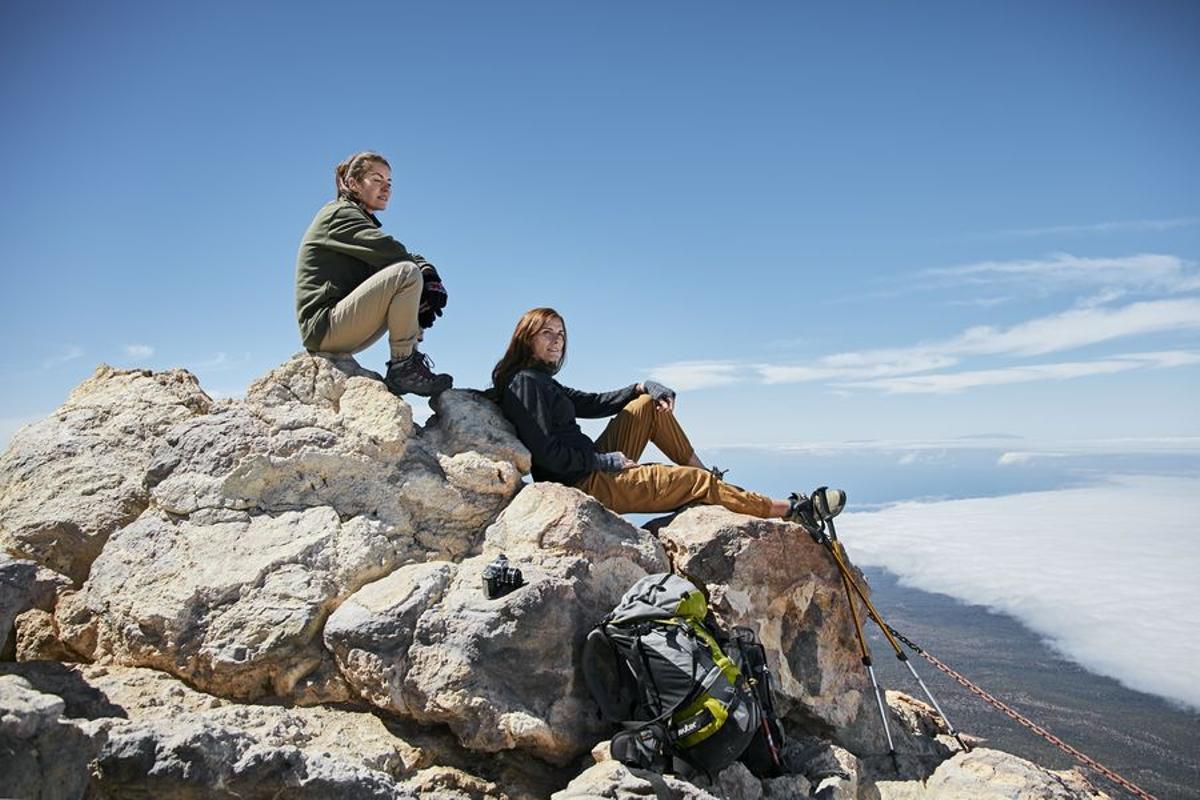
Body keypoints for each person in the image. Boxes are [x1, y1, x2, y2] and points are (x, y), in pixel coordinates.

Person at [492, 307, 844, 524]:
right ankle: (791, 511)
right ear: (527, 338)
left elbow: (593, 402)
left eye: (561, 334)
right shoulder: (526, 384)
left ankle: (709, 475)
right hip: (584, 482)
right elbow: (547, 456)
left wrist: (642, 387)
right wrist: (608, 462)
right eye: (547, 334)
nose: (557, 341)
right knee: (696, 484)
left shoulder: (538, 380)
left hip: (589, 468)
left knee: (646, 406)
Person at [295, 151, 452, 396]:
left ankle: (410, 358)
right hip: (324, 327)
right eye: (377, 180)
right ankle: (403, 366)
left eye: (389, 183)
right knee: (407, 274)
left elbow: (393, 257)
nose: (386, 188)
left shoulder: (360, 221)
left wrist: (423, 294)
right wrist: (428, 275)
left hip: (343, 329)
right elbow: (394, 252)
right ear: (353, 183)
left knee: (412, 281)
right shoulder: (338, 214)